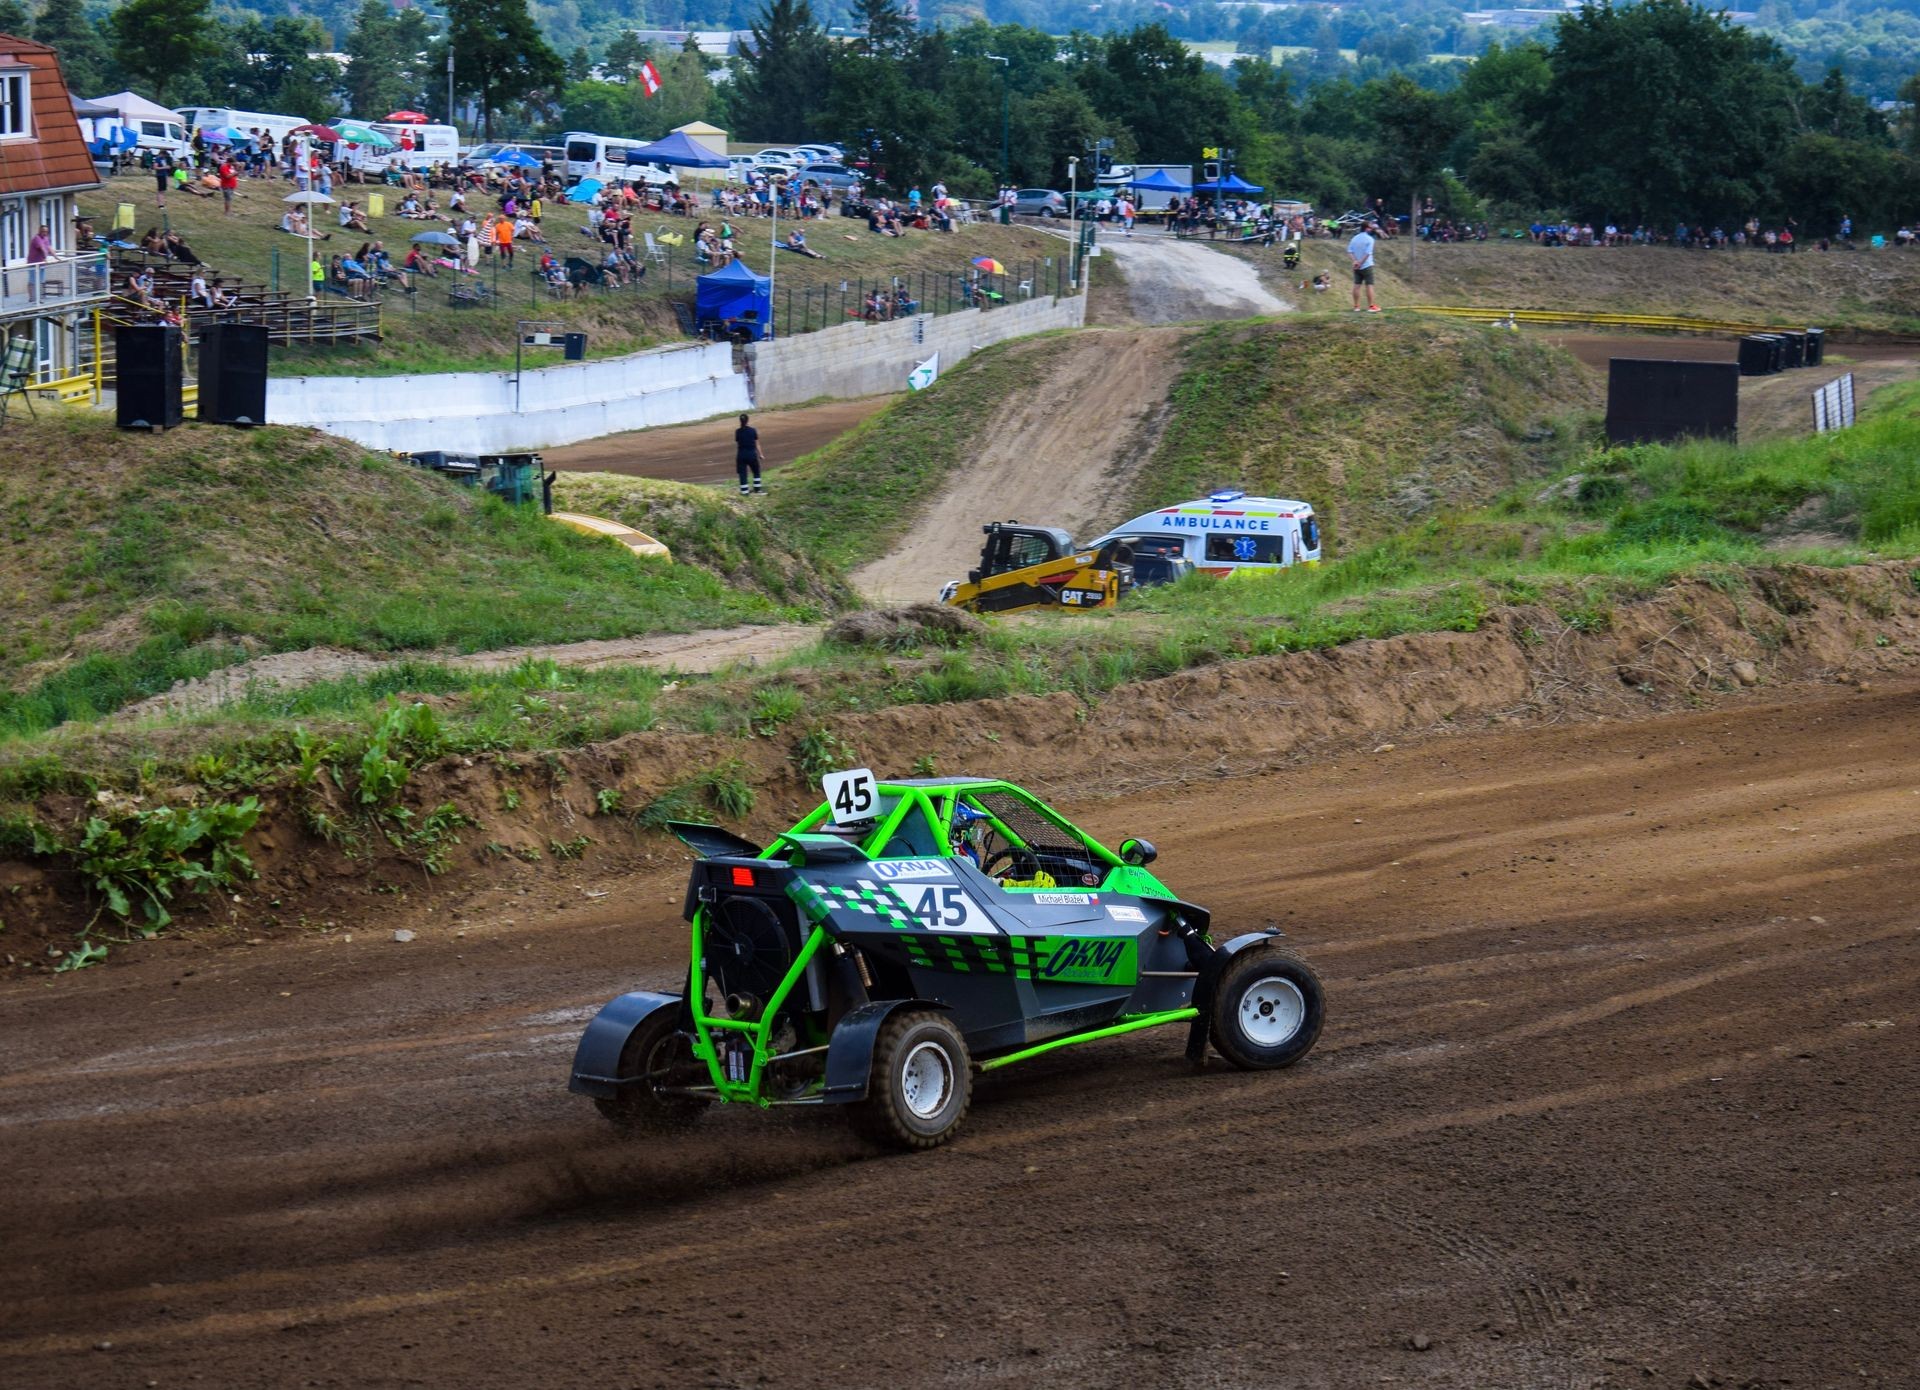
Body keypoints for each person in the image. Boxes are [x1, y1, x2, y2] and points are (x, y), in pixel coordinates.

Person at [1348, 220, 1381, 313]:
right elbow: (1368, 253)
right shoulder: (1370, 239)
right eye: (1370, 227)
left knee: (1356, 285)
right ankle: (1371, 306)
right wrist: (1361, 263)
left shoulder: (1354, 238)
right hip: (1366, 265)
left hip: (1356, 266)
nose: (1371, 229)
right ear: (1367, 228)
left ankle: (1356, 306)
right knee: (1369, 285)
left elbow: (1349, 251)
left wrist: (1355, 261)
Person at [733, 413, 765, 496]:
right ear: (748, 420)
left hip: (741, 455)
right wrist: (761, 454)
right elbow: (757, 444)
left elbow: (738, 441)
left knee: (742, 474)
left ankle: (744, 492)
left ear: (740, 421)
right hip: (752, 454)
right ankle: (757, 490)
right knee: (756, 471)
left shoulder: (737, 432)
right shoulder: (753, 430)